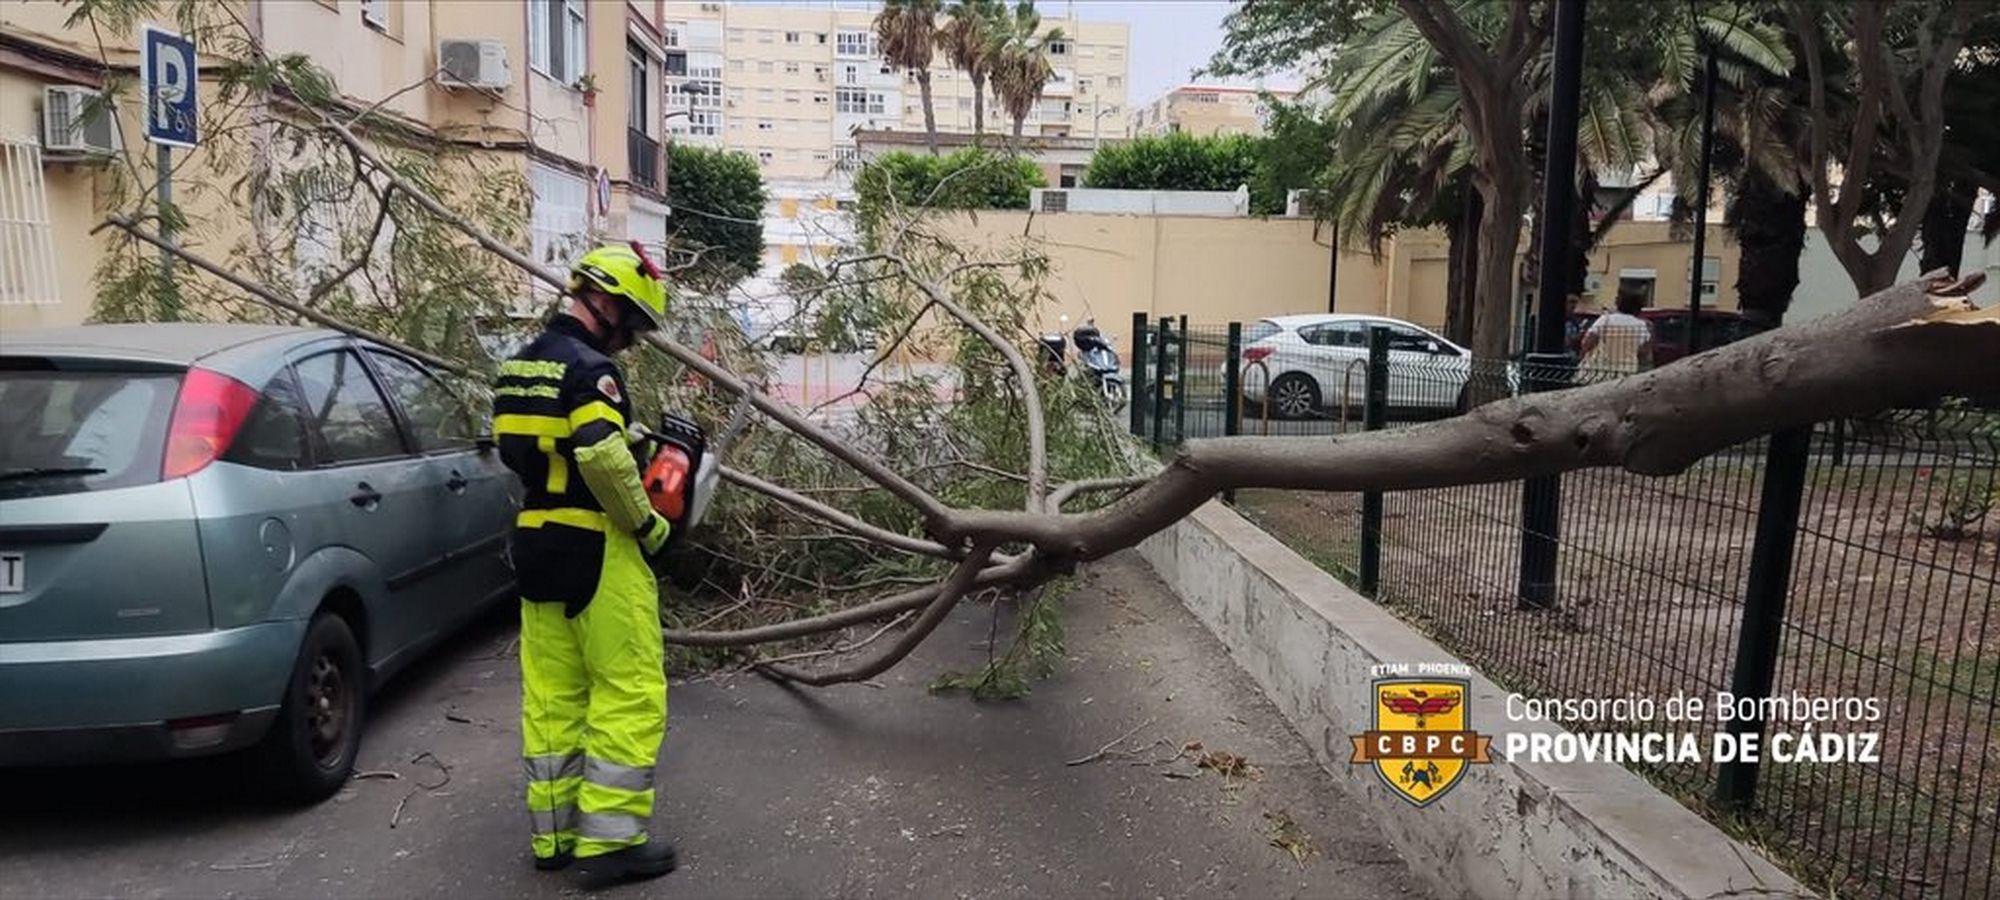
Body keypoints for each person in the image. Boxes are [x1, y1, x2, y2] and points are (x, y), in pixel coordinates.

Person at [491, 244, 679, 885]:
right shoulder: (590, 369)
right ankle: (610, 842)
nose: (631, 341)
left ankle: (556, 839)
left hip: (536, 542)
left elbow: (535, 449)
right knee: (629, 691)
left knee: (552, 697)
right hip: (597, 545)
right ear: (607, 303)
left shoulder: (518, 367)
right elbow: (599, 458)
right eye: (632, 323)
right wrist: (648, 523)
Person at [1579, 285, 1653, 377]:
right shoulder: (1642, 326)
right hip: (1626, 374)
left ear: (1618, 303)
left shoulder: (1605, 320)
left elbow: (1587, 344)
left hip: (1598, 373)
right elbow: (1644, 353)